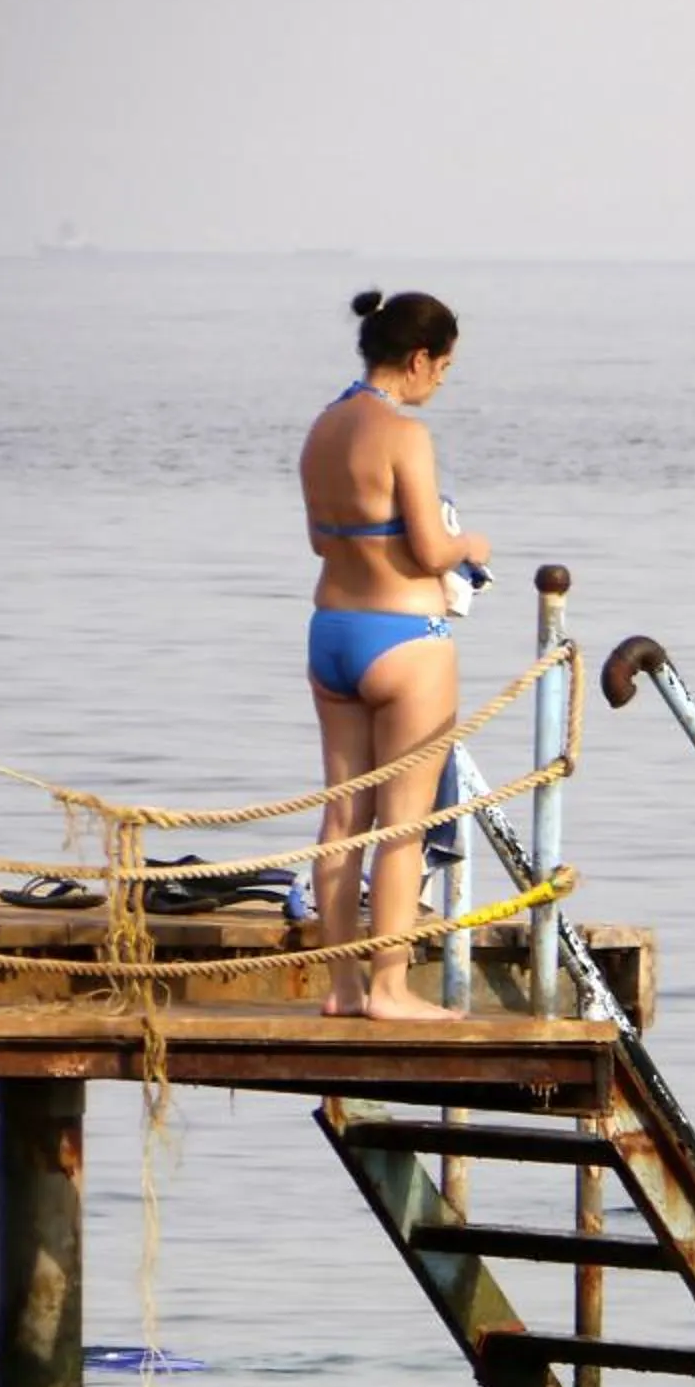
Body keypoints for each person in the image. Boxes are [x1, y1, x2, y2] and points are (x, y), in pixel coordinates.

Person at [299, 290, 494, 1023]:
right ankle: (389, 988)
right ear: (418, 359)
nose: (439, 382)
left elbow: (323, 540)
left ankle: (341, 987)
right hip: (405, 641)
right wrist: (469, 546)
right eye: (442, 368)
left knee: (341, 819)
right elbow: (430, 548)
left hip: (332, 632)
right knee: (403, 826)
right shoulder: (404, 434)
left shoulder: (322, 428)